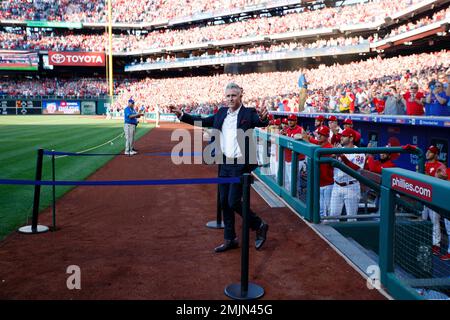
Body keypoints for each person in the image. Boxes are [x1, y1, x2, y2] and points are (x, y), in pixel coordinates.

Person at [170, 82, 269, 253]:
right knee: (224, 202)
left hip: (240, 164)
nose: (230, 98)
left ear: (240, 96)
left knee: (233, 201)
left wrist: (264, 118)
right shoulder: (221, 113)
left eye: (234, 95)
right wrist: (182, 114)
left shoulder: (249, 113)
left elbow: (261, 121)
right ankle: (230, 239)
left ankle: (259, 224)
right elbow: (201, 121)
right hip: (224, 163)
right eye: (228, 96)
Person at [329, 128, 366, 221]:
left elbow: (355, 168)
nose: (341, 138)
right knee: (333, 215)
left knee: (351, 217)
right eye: (341, 136)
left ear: (351, 138)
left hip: (351, 186)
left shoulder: (359, 152)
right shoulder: (339, 149)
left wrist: (342, 156)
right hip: (337, 185)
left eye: (344, 136)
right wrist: (332, 157)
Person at [301, 126, 334, 218]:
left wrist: (307, 139)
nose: (319, 136)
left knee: (327, 209)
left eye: (321, 134)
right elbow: (308, 139)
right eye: (318, 134)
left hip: (328, 184)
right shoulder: (319, 144)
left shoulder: (329, 147)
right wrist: (304, 135)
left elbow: (315, 146)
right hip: (319, 182)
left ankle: (328, 226)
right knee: (320, 207)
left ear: (327, 136)